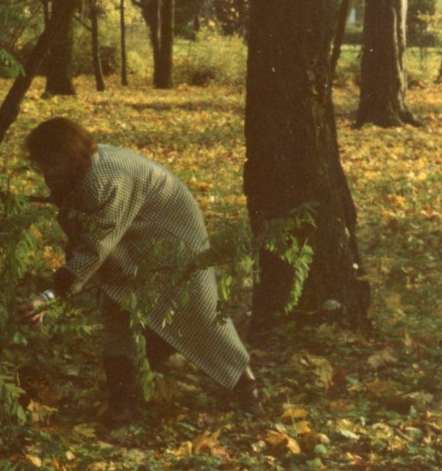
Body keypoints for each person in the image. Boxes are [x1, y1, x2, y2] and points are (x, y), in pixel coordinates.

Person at [20, 116, 261, 427]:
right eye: (42, 163)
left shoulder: (105, 179)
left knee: (198, 313)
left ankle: (247, 387)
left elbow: (95, 247)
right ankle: (123, 403)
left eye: (52, 161)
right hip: (131, 237)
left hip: (174, 238)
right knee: (117, 313)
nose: (46, 171)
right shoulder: (74, 174)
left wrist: (50, 296)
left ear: (69, 154)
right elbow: (84, 234)